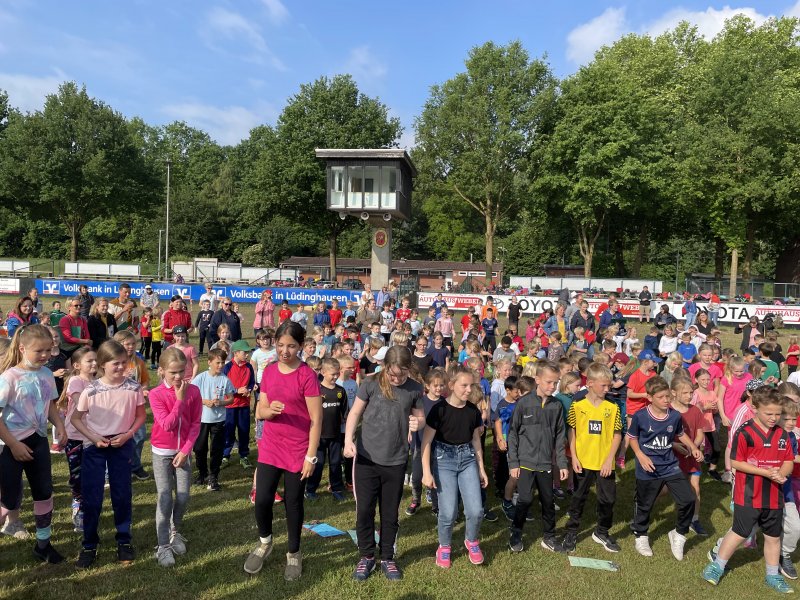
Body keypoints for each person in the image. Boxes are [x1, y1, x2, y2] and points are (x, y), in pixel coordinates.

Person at [244, 321, 322, 581]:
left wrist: (310, 456)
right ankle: (265, 542)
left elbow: (316, 420)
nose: (284, 351)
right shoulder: (269, 371)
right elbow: (260, 411)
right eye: (280, 345)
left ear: (300, 346)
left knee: (293, 502)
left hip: (298, 449)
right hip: (271, 446)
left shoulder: (307, 376)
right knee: (262, 499)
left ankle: (294, 552)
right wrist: (270, 411)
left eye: (291, 346)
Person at [344, 345, 425, 582]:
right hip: (366, 459)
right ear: (384, 366)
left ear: (409, 369)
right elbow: (354, 413)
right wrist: (348, 440)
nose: (397, 379)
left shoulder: (414, 388)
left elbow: (420, 417)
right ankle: (367, 556)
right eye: (392, 374)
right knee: (365, 511)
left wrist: (417, 423)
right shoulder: (370, 383)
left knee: (389, 514)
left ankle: (387, 557)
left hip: (396, 460)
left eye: (402, 374)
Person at [702, 388, 794, 593]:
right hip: (748, 493)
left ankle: (772, 575)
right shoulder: (745, 432)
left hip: (773, 495)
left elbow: (788, 460)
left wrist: (782, 474)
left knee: (773, 536)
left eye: (778, 413)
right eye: (769, 413)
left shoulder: (781, 434)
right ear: (755, 408)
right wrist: (765, 472)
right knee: (740, 532)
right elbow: (736, 462)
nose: (774, 418)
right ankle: (717, 566)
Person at [70, 340, 146, 569]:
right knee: (92, 497)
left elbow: (141, 416)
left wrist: (128, 434)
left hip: (122, 445)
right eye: (116, 363)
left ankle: (124, 540)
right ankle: (89, 544)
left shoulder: (133, 388)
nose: (121, 367)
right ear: (102, 364)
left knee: (122, 495)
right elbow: (76, 418)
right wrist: (93, 437)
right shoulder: (90, 390)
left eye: (124, 363)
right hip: (95, 448)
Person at [0, 324, 67, 563]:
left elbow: (50, 404)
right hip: (11, 446)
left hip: (38, 442)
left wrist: (59, 425)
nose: (45, 355)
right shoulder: (9, 378)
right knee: (8, 499)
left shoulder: (47, 374)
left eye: (48, 350)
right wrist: (13, 445)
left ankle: (43, 544)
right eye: (39, 351)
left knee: (44, 493)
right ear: (22, 348)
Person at [421, 365, 488, 568]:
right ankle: (444, 546)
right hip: (444, 461)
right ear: (451, 385)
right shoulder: (438, 410)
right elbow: (426, 442)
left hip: (467, 459)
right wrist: (426, 472)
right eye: (464, 385)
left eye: (471, 385)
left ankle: (471, 540)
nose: (469, 390)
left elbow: (476, 440)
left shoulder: (472, 410)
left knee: (476, 510)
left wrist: (481, 468)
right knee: (448, 512)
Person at [628, 376, 702, 560]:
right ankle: (641, 535)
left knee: (688, 499)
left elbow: (680, 434)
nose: (666, 400)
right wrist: (640, 455)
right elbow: (632, 437)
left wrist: (693, 447)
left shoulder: (675, 416)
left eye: (668, 396)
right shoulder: (640, 416)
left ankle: (679, 534)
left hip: (670, 465)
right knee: (645, 504)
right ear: (650, 397)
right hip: (648, 467)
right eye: (661, 397)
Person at [148, 346, 202, 567]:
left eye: (182, 371)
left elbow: (196, 423)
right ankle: (162, 546)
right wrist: (179, 400)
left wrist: (185, 450)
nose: (179, 376)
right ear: (161, 371)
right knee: (165, 497)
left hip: (183, 453)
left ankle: (174, 531)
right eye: (173, 372)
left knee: (183, 496)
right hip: (162, 453)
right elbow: (167, 424)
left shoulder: (194, 391)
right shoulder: (156, 394)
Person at [507, 362, 568, 554]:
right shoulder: (524, 403)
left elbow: (560, 436)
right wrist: (513, 462)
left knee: (548, 501)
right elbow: (513, 434)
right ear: (538, 380)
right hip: (525, 462)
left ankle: (549, 537)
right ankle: (516, 533)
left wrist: (562, 463)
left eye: (556, 383)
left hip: (545, 463)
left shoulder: (557, 406)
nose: (553, 386)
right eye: (549, 382)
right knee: (525, 499)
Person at [561, 363, 623, 553]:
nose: (607, 389)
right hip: (583, 461)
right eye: (603, 385)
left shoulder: (612, 407)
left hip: (605, 462)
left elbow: (617, 435)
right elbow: (571, 431)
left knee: (608, 499)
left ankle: (602, 531)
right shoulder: (577, 405)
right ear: (590, 383)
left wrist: (609, 459)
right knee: (578, 497)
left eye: (609, 385)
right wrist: (574, 457)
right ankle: (572, 531)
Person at [59, 346, 97, 533]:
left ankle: (87, 507)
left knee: (91, 475)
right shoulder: (75, 381)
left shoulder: (99, 381)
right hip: (75, 437)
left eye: (96, 360)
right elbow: (81, 403)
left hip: (94, 437)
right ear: (76, 365)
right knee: (77, 476)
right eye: (89, 361)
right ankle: (78, 504)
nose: (94, 363)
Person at [192, 347, 234, 492]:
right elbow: (191, 396)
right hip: (202, 419)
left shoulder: (225, 380)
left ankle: (213, 476)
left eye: (222, 362)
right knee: (199, 448)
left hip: (218, 420)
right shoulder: (200, 378)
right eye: (218, 362)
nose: (221, 365)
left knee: (216, 449)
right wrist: (204, 401)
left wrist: (222, 402)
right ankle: (202, 473)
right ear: (209, 362)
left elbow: (231, 398)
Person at [670, 376, 708, 535]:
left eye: (691, 392)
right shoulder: (668, 410)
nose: (689, 396)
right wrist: (675, 445)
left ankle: (694, 519)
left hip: (691, 456)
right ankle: (643, 510)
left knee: (695, 488)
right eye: (685, 393)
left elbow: (700, 433)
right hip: (671, 456)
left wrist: (693, 448)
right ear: (673, 392)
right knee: (663, 490)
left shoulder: (695, 410)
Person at [305, 358, 346, 501]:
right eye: (332, 374)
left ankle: (336, 488)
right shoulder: (317, 390)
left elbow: (345, 413)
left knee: (335, 463)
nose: (335, 377)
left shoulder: (341, 391)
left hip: (335, 434)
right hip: (319, 435)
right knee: (318, 463)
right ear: (323, 372)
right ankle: (310, 489)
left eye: (337, 374)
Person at [221, 340, 256, 469]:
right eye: (244, 352)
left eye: (248, 352)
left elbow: (251, 382)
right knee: (228, 431)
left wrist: (249, 390)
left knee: (244, 430)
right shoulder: (227, 367)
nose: (247, 355)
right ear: (235, 353)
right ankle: (225, 455)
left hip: (244, 405)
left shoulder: (249, 367)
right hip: (230, 406)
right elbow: (222, 385)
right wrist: (236, 390)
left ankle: (244, 456)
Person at [58, 295, 91, 360]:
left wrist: (87, 345)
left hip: (79, 347)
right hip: (68, 349)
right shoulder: (65, 319)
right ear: (69, 307)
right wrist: (85, 341)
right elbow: (68, 338)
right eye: (76, 305)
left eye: (80, 305)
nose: (79, 307)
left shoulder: (82, 320)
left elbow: (87, 335)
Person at [150, 306, 163, 370]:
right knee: (154, 351)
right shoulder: (153, 321)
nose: (162, 313)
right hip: (155, 339)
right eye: (161, 312)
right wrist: (161, 326)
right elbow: (153, 329)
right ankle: (152, 364)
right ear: (157, 313)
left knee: (159, 352)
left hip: (161, 339)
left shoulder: (161, 320)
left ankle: (158, 363)